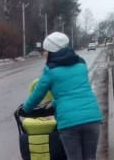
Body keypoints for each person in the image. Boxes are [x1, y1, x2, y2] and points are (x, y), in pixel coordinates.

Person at [22, 31, 102, 160]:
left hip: (69, 123)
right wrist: (54, 103)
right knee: (90, 157)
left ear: (52, 51)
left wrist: (25, 109)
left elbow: (37, 94)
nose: (44, 53)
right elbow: (75, 90)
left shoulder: (50, 71)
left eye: (46, 51)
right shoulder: (81, 63)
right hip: (92, 118)